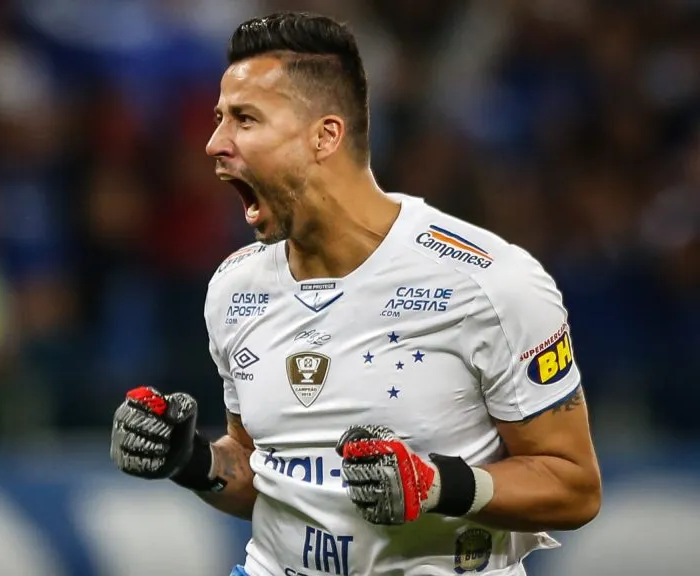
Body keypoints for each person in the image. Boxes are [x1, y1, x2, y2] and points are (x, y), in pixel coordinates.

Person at [110, 11, 601, 576]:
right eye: (220, 119)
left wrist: (436, 484)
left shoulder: (489, 284)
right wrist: (191, 460)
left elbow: (573, 486)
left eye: (245, 119)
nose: (214, 143)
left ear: (325, 135)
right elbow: (264, 475)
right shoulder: (234, 288)